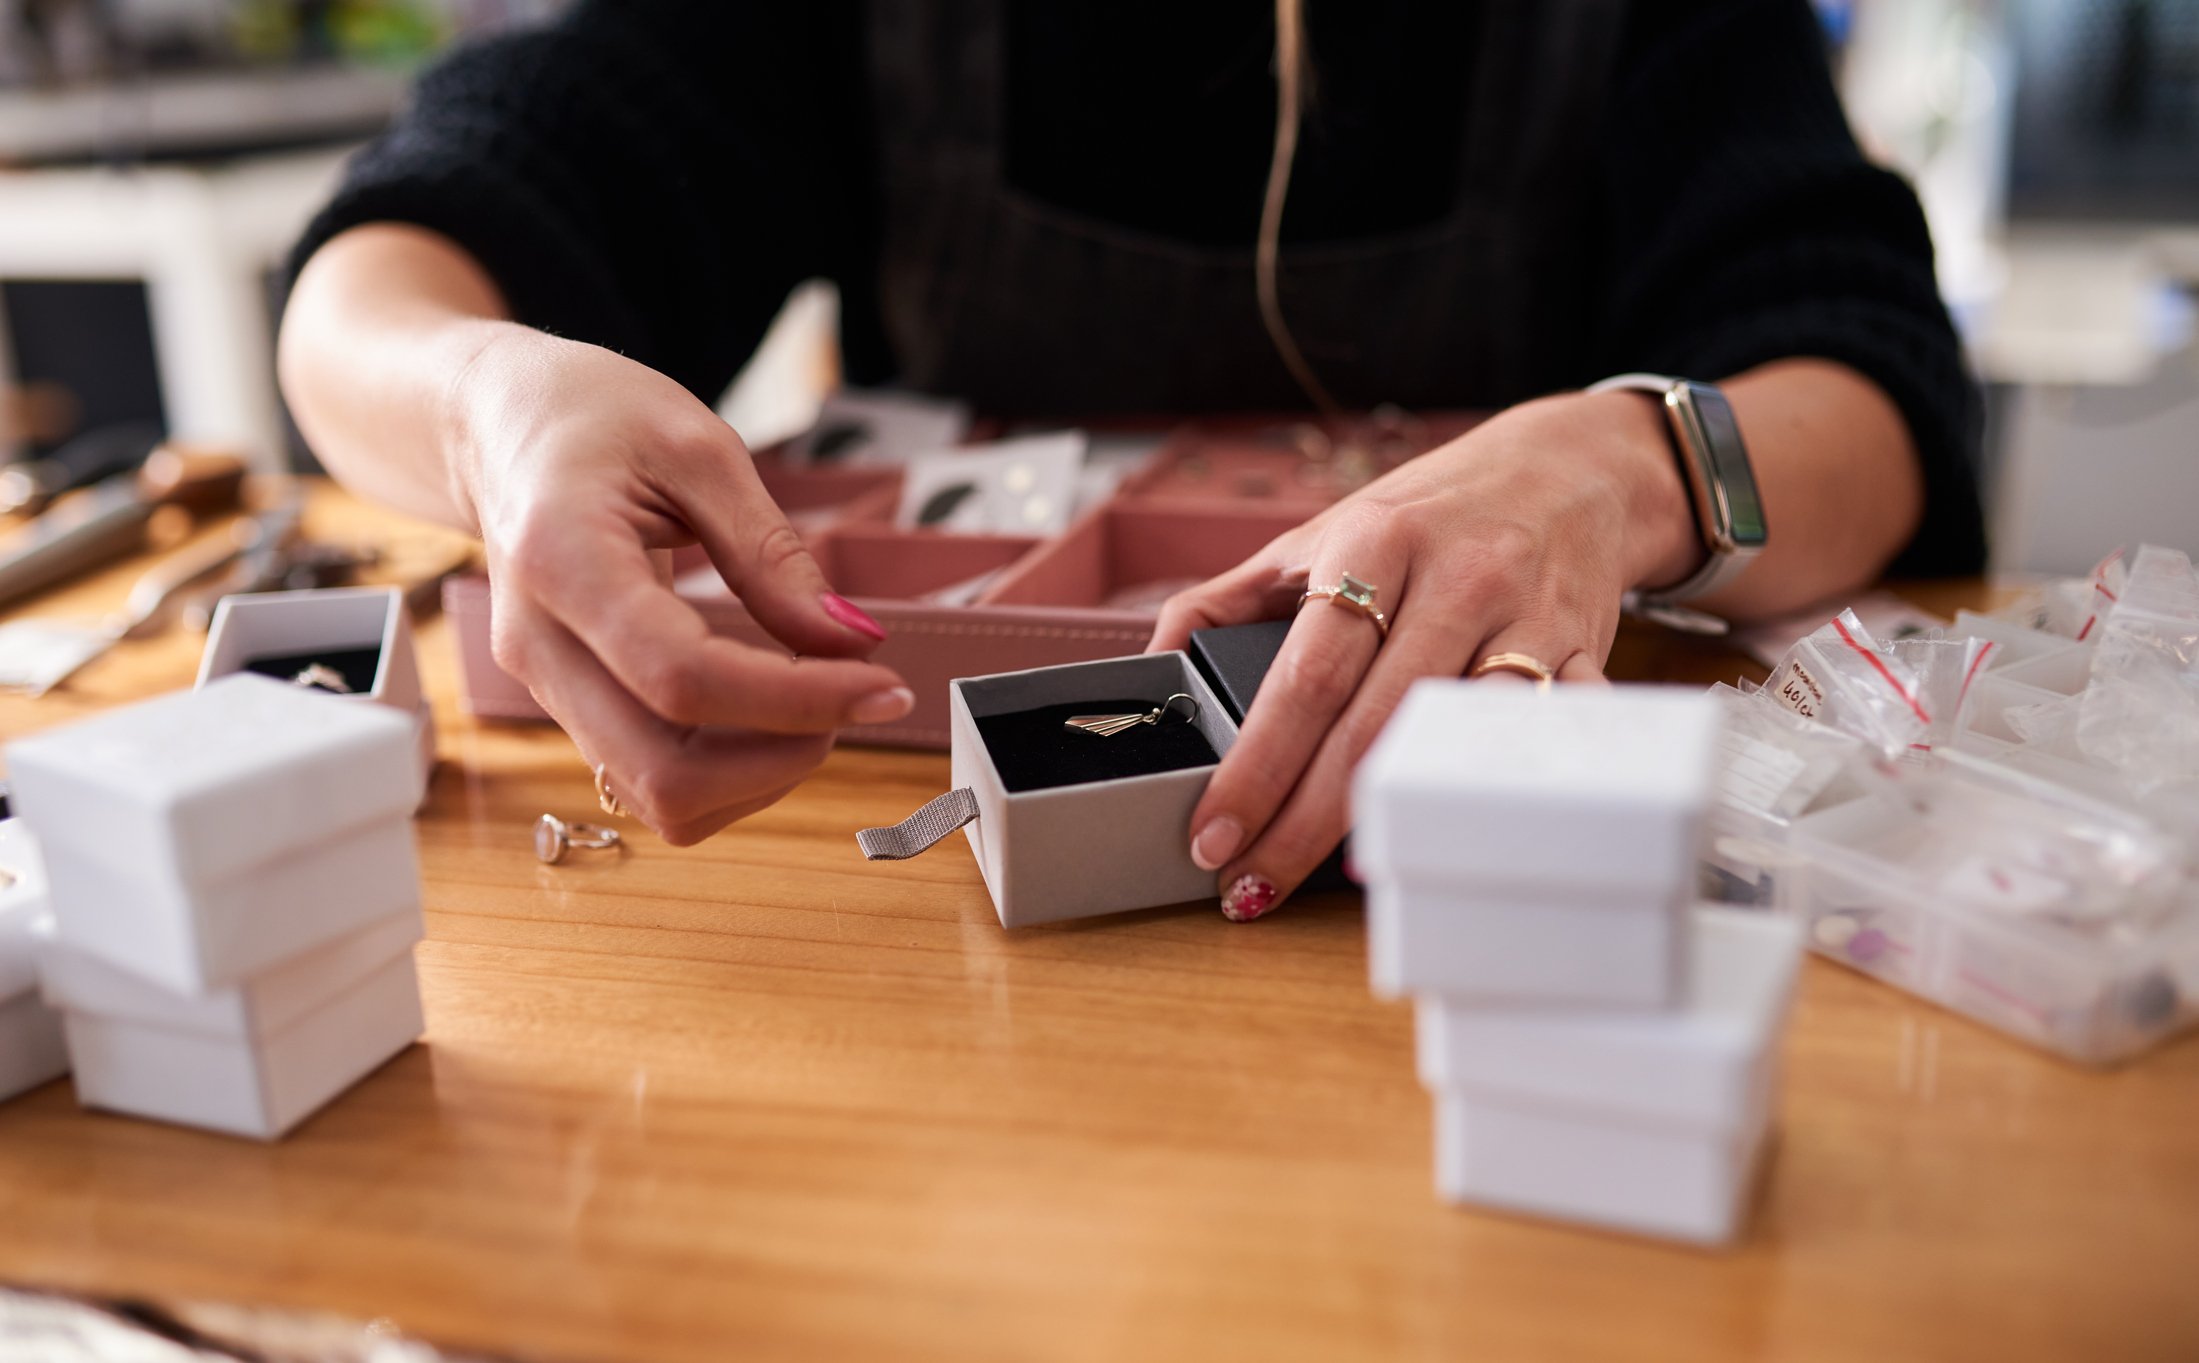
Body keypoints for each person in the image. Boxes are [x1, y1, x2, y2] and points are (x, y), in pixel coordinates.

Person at [279, 0, 1984, 919]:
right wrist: (484, 404)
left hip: (1494, 853)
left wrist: (1615, 472)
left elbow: (1881, 388)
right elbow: (392, 262)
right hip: (911, 912)